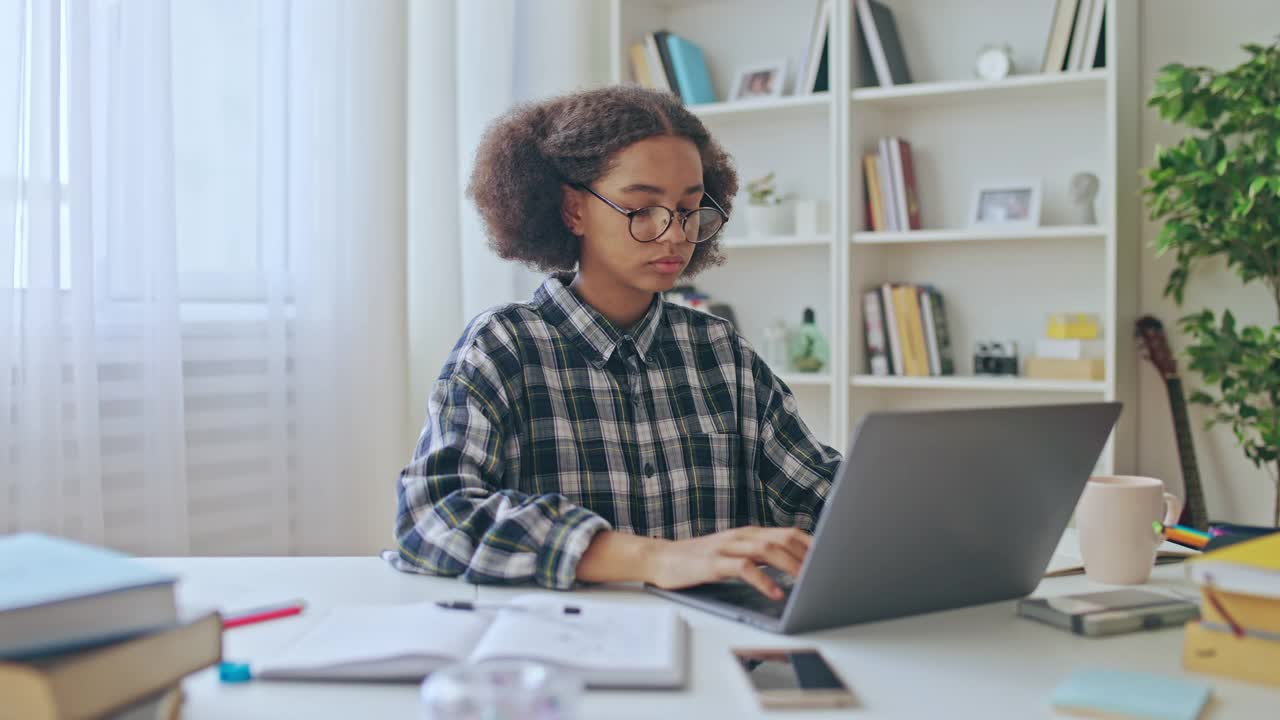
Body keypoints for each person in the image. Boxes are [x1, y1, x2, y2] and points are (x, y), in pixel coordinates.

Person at [395, 85, 840, 600]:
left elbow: (818, 495)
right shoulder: (504, 347)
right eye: (642, 210)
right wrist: (656, 557)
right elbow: (432, 516)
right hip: (566, 658)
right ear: (573, 210)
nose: (674, 234)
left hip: (722, 652)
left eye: (688, 209)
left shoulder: (722, 353)